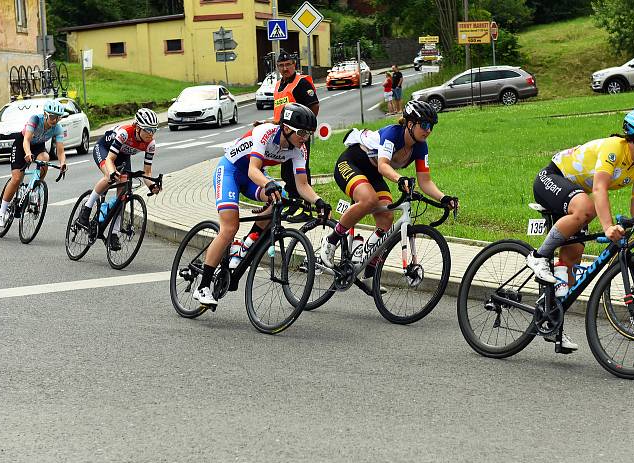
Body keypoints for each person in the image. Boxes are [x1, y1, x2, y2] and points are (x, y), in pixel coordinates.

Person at [528, 109, 634, 351]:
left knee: (571, 261)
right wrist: (607, 227)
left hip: (575, 194)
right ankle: (538, 257)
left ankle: (551, 319)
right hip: (552, 178)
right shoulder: (614, 148)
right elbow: (599, 189)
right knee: (587, 208)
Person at [192, 103, 331, 306]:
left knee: (280, 198)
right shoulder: (265, 133)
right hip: (231, 171)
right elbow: (252, 170)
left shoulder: (300, 149)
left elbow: (302, 185)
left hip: (253, 177)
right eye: (301, 132)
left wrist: (318, 201)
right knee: (230, 227)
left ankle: (246, 244)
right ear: (286, 127)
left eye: (309, 133)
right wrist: (268, 183)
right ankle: (203, 286)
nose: (305, 138)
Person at [319, 100, 458, 291]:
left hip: (373, 173)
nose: (428, 130)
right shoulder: (393, 134)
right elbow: (384, 165)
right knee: (369, 200)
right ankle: (332, 239)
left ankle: (370, 271)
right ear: (410, 124)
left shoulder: (420, 146)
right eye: (424, 125)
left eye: (431, 126)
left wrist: (444, 198)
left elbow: (425, 181)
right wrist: (400, 179)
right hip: (352, 163)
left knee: (387, 217)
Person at [77, 108, 161, 251]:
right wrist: (111, 172)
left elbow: (147, 172)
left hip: (123, 156)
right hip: (104, 149)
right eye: (148, 130)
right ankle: (86, 210)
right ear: (138, 127)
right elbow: (110, 159)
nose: (151, 134)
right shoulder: (124, 133)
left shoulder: (150, 144)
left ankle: (113, 234)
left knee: (122, 194)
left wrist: (152, 186)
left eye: (154, 130)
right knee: (109, 177)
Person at [0, 99, 67, 228]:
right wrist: (27, 153)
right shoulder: (35, 119)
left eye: (58, 117)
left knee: (45, 158)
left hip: (38, 146)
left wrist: (63, 163)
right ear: (45, 114)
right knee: (17, 178)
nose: (55, 120)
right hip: (22, 143)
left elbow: (61, 151)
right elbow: (26, 139)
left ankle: (35, 189)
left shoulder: (58, 128)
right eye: (52, 116)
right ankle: (2, 211)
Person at [273, 49, 320, 222]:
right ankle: (293, 204)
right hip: (284, 135)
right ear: (277, 67)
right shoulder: (279, 84)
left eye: (288, 65)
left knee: (301, 171)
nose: (285, 68)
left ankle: (306, 209)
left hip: (298, 135)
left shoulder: (301, 83)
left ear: (294, 65)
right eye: (281, 65)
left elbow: (314, 106)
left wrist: (305, 129)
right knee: (286, 172)